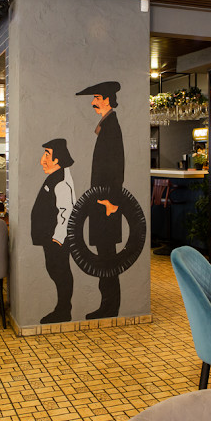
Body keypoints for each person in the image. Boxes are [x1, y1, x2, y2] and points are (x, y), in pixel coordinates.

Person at [75, 81, 124, 319]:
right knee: (105, 254)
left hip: (106, 205)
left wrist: (110, 201)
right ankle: (108, 305)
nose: (93, 102)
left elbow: (116, 168)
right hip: (102, 202)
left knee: (107, 256)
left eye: (96, 97)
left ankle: (109, 306)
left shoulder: (111, 127)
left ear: (106, 99)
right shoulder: (107, 125)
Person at [31, 139, 76, 323]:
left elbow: (67, 212)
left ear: (57, 159)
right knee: (55, 270)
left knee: (60, 271)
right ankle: (62, 308)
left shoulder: (61, 181)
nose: (42, 160)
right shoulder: (55, 176)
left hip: (57, 239)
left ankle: (63, 310)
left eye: (47, 154)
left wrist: (58, 239)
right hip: (50, 237)